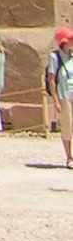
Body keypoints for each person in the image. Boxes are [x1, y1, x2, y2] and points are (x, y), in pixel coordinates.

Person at [45, 27, 73, 167]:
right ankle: (69, 157)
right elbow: (51, 79)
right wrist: (55, 100)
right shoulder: (54, 57)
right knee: (67, 126)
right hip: (64, 95)